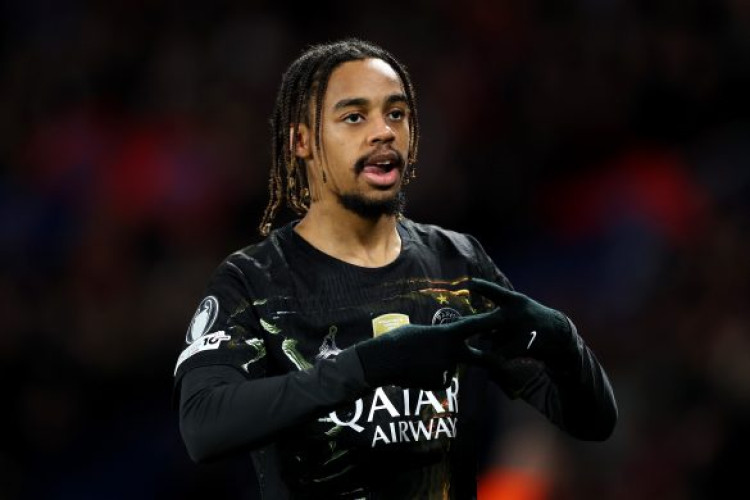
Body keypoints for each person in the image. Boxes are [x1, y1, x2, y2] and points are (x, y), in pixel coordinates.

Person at [174, 38, 617, 499]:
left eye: (397, 113)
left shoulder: (457, 262)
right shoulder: (254, 279)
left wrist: (566, 344)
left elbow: (592, 423)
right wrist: (365, 366)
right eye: (354, 116)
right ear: (301, 141)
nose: (383, 131)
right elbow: (203, 426)